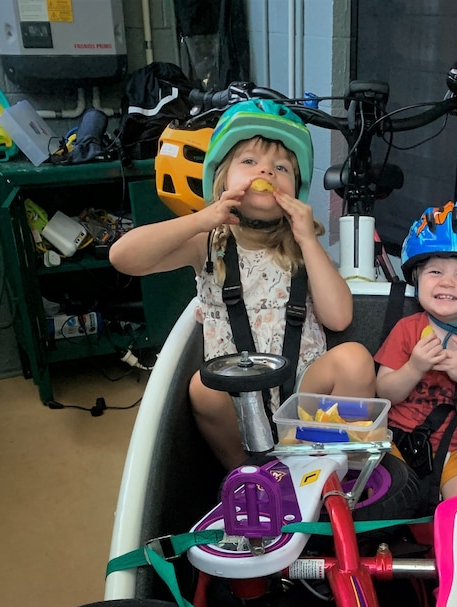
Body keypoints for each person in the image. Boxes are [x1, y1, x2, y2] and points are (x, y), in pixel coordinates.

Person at [109, 99, 376, 469]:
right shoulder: (206, 242)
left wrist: (309, 241)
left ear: (295, 191)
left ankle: (341, 474)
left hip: (303, 395)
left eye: (281, 167)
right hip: (236, 399)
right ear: (222, 179)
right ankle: (249, 480)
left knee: (355, 360)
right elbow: (123, 257)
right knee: (202, 389)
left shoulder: (301, 248)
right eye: (249, 161)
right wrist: (203, 219)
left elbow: (339, 317)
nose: (265, 169)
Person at [374, 201, 457, 500]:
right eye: (435, 271)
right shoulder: (407, 329)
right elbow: (383, 392)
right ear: (418, 280)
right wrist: (414, 367)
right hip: (396, 441)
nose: (446, 281)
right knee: (375, 493)